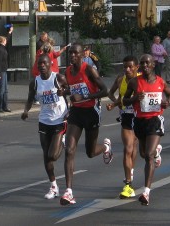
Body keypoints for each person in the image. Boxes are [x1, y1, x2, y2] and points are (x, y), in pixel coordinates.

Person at [60, 43, 113, 206]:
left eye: (76, 53)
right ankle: (69, 192)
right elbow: (73, 89)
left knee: (90, 152)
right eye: (71, 53)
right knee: (69, 150)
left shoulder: (89, 70)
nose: (72, 56)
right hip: (76, 113)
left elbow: (105, 91)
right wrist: (66, 92)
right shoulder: (68, 71)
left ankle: (105, 148)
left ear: (83, 54)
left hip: (91, 112)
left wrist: (84, 96)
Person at [106, 55, 163, 199]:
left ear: (136, 67)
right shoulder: (121, 79)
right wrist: (115, 103)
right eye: (125, 67)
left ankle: (155, 151)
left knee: (142, 152)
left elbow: (155, 95)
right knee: (128, 148)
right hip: (126, 115)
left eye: (130, 67)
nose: (127, 69)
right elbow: (115, 95)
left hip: (140, 117)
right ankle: (128, 183)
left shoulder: (142, 79)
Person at [123, 54, 170, 206]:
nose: (145, 65)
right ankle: (156, 152)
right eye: (142, 63)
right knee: (145, 154)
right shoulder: (134, 82)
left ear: (153, 65)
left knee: (149, 155)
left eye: (147, 63)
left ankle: (146, 192)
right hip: (139, 121)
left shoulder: (160, 81)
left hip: (155, 120)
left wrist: (167, 103)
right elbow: (125, 100)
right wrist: (134, 99)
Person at [21, 54, 69, 199]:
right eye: (39, 63)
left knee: (52, 155)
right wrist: (26, 111)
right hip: (44, 120)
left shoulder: (57, 78)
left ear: (50, 64)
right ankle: (53, 186)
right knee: (46, 156)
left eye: (44, 63)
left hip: (59, 119)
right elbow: (30, 98)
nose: (41, 65)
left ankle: (62, 140)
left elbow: (70, 91)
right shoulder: (35, 82)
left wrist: (66, 98)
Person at [0, 26, 13, 113]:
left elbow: (7, 39)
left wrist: (10, 32)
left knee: (5, 90)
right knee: (1, 90)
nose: (6, 41)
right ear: (3, 41)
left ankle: (5, 106)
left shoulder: (1, 47)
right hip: (1, 72)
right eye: (5, 40)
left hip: (3, 71)